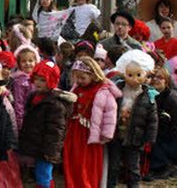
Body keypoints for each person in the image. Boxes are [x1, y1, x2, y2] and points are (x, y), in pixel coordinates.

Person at [63, 57, 122, 188]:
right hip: (74, 130)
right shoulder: (77, 88)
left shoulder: (103, 90)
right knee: (73, 160)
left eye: (82, 77)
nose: (78, 81)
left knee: (87, 162)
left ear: (93, 75)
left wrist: (106, 133)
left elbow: (110, 113)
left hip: (90, 133)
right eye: (76, 77)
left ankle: (87, 184)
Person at [19, 60, 77, 188]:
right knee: (41, 175)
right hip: (36, 143)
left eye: (43, 80)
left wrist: (51, 151)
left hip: (46, 148)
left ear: (51, 81)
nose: (38, 83)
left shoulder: (55, 104)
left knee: (44, 174)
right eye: (37, 79)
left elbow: (56, 130)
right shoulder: (34, 96)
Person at [108, 50, 158, 188]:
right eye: (130, 75)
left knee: (133, 167)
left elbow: (153, 120)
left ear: (146, 74)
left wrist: (149, 139)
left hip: (135, 137)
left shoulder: (148, 96)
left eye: (138, 75)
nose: (134, 79)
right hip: (116, 134)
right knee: (113, 166)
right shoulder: (117, 90)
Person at [147, 67, 177, 180]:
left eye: (160, 77)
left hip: (171, 137)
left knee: (155, 137)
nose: (155, 80)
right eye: (153, 77)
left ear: (166, 80)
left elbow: (174, 126)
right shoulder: (151, 94)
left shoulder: (171, 98)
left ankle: (163, 166)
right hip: (160, 131)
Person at [11, 45, 40, 130]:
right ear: (19, 64)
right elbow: (18, 103)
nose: (27, 63)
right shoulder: (19, 81)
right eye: (24, 61)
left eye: (30, 60)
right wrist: (20, 122)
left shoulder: (38, 78)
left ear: (35, 61)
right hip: (25, 117)